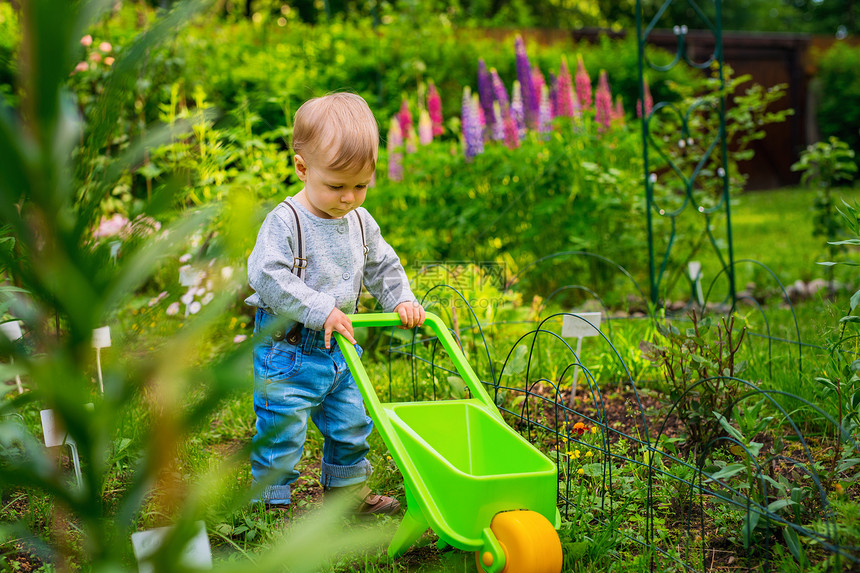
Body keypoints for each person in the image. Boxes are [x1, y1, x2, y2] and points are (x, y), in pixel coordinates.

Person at [245, 92, 425, 514]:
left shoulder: (361, 221)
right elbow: (265, 274)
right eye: (336, 186)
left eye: (361, 186)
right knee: (282, 429)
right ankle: (268, 503)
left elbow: (384, 264)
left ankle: (347, 493)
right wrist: (318, 308)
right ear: (302, 168)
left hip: (341, 350)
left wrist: (402, 299)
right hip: (287, 350)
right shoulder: (286, 221)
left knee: (351, 424)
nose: (349, 198)